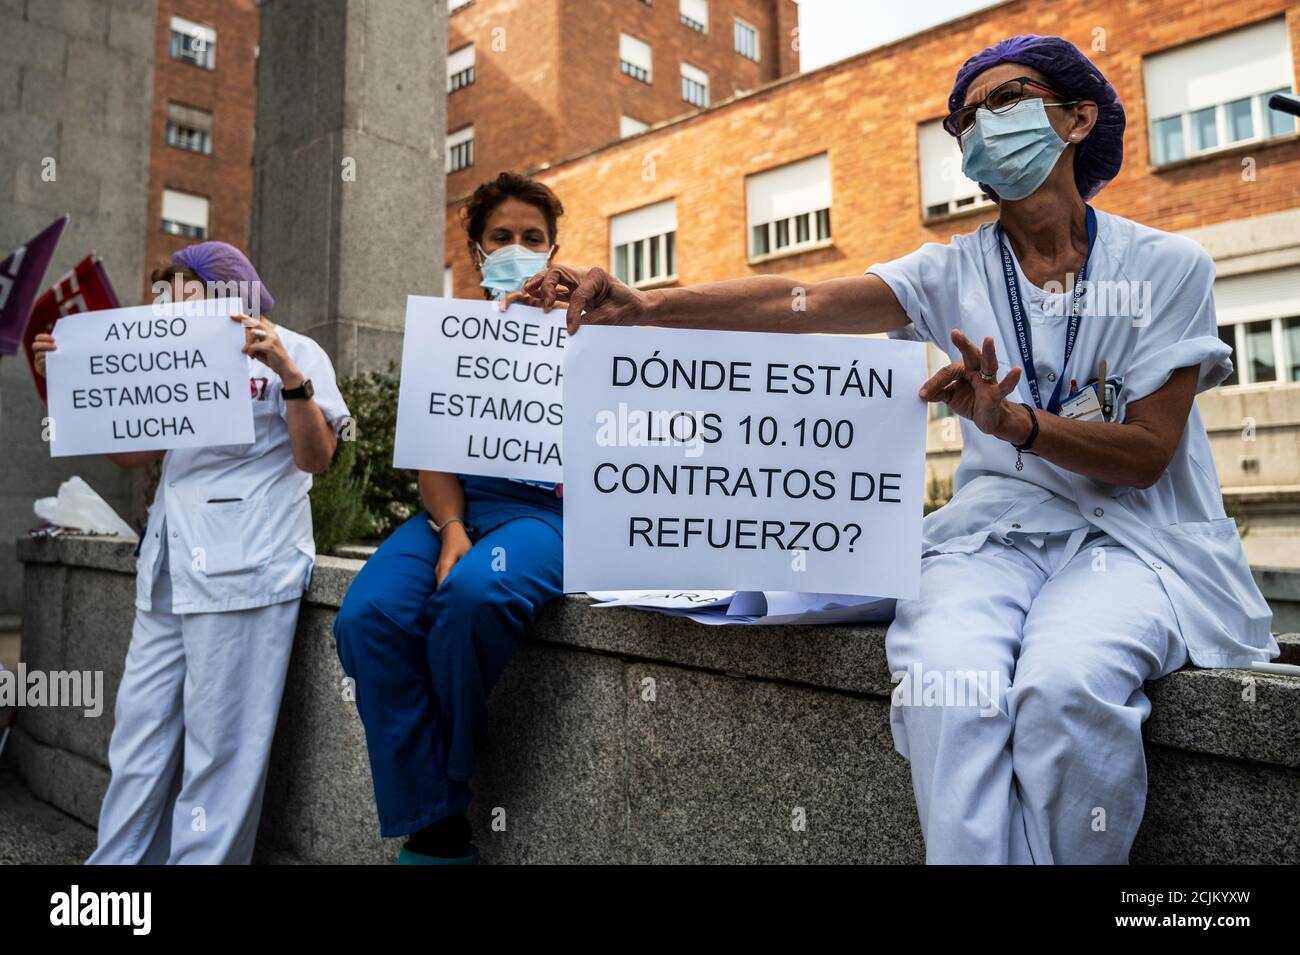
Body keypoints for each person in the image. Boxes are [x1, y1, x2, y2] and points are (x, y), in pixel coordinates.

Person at [510, 35, 1277, 864]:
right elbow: (800, 300)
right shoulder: (953, 269)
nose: (983, 124)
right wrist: (650, 307)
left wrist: (1018, 425)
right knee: (949, 682)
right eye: (964, 119)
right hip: (992, 541)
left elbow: (1148, 453)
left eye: (1007, 100)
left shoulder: (1169, 266)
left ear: (1077, 116)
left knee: (1066, 687)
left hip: (1131, 543)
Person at [33, 241, 350, 864]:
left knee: (220, 745)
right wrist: (68, 379)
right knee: (138, 734)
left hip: (247, 566)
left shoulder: (298, 350)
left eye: (181, 286)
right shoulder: (162, 354)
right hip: (169, 567)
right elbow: (131, 453)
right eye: (165, 288)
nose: (167, 300)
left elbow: (316, 458)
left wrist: (289, 377)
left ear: (225, 286)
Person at [333, 172, 565, 865]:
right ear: (475, 249)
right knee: (366, 616)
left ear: (555, 251)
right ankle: (437, 819)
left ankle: (439, 807)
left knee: (476, 595)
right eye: (503, 237)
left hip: (547, 518)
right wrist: (452, 529)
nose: (518, 248)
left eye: (534, 237)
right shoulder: (451, 334)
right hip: (456, 507)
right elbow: (434, 453)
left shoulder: (590, 333)